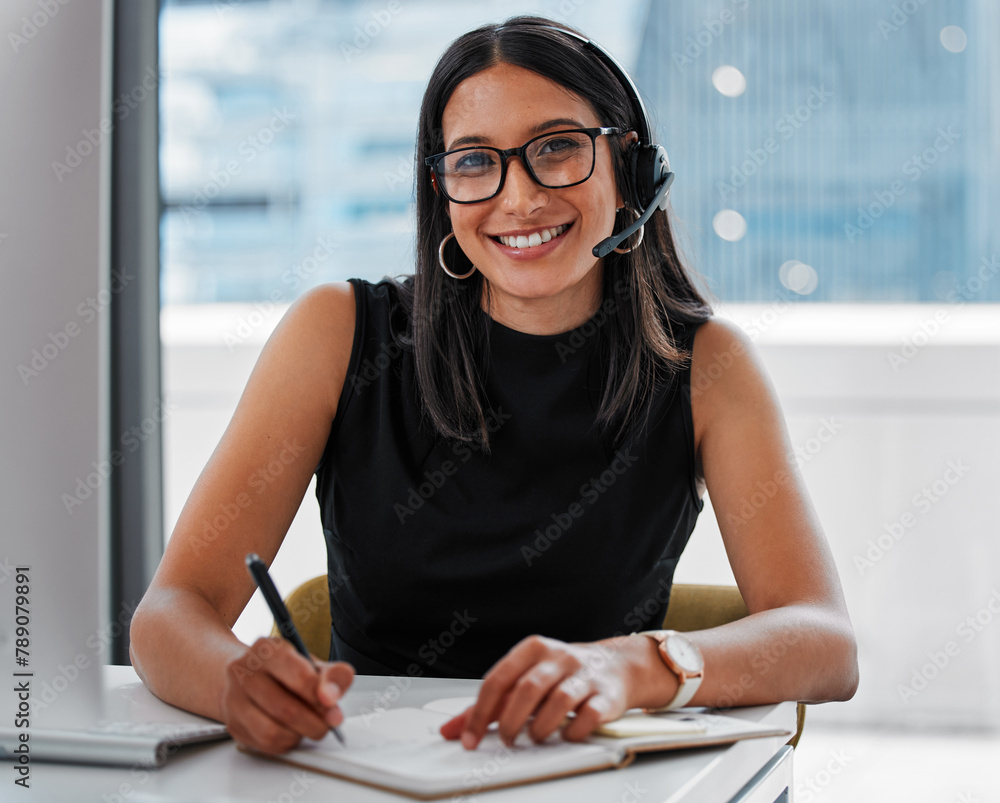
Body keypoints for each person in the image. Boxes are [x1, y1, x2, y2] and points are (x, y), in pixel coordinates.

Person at [130, 16, 858, 756]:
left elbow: (827, 643)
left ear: (630, 168)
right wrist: (235, 682)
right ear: (441, 187)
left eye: (556, 148)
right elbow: (170, 612)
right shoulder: (338, 332)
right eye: (476, 162)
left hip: (593, 780)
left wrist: (638, 663)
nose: (519, 199)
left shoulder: (704, 364)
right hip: (366, 774)